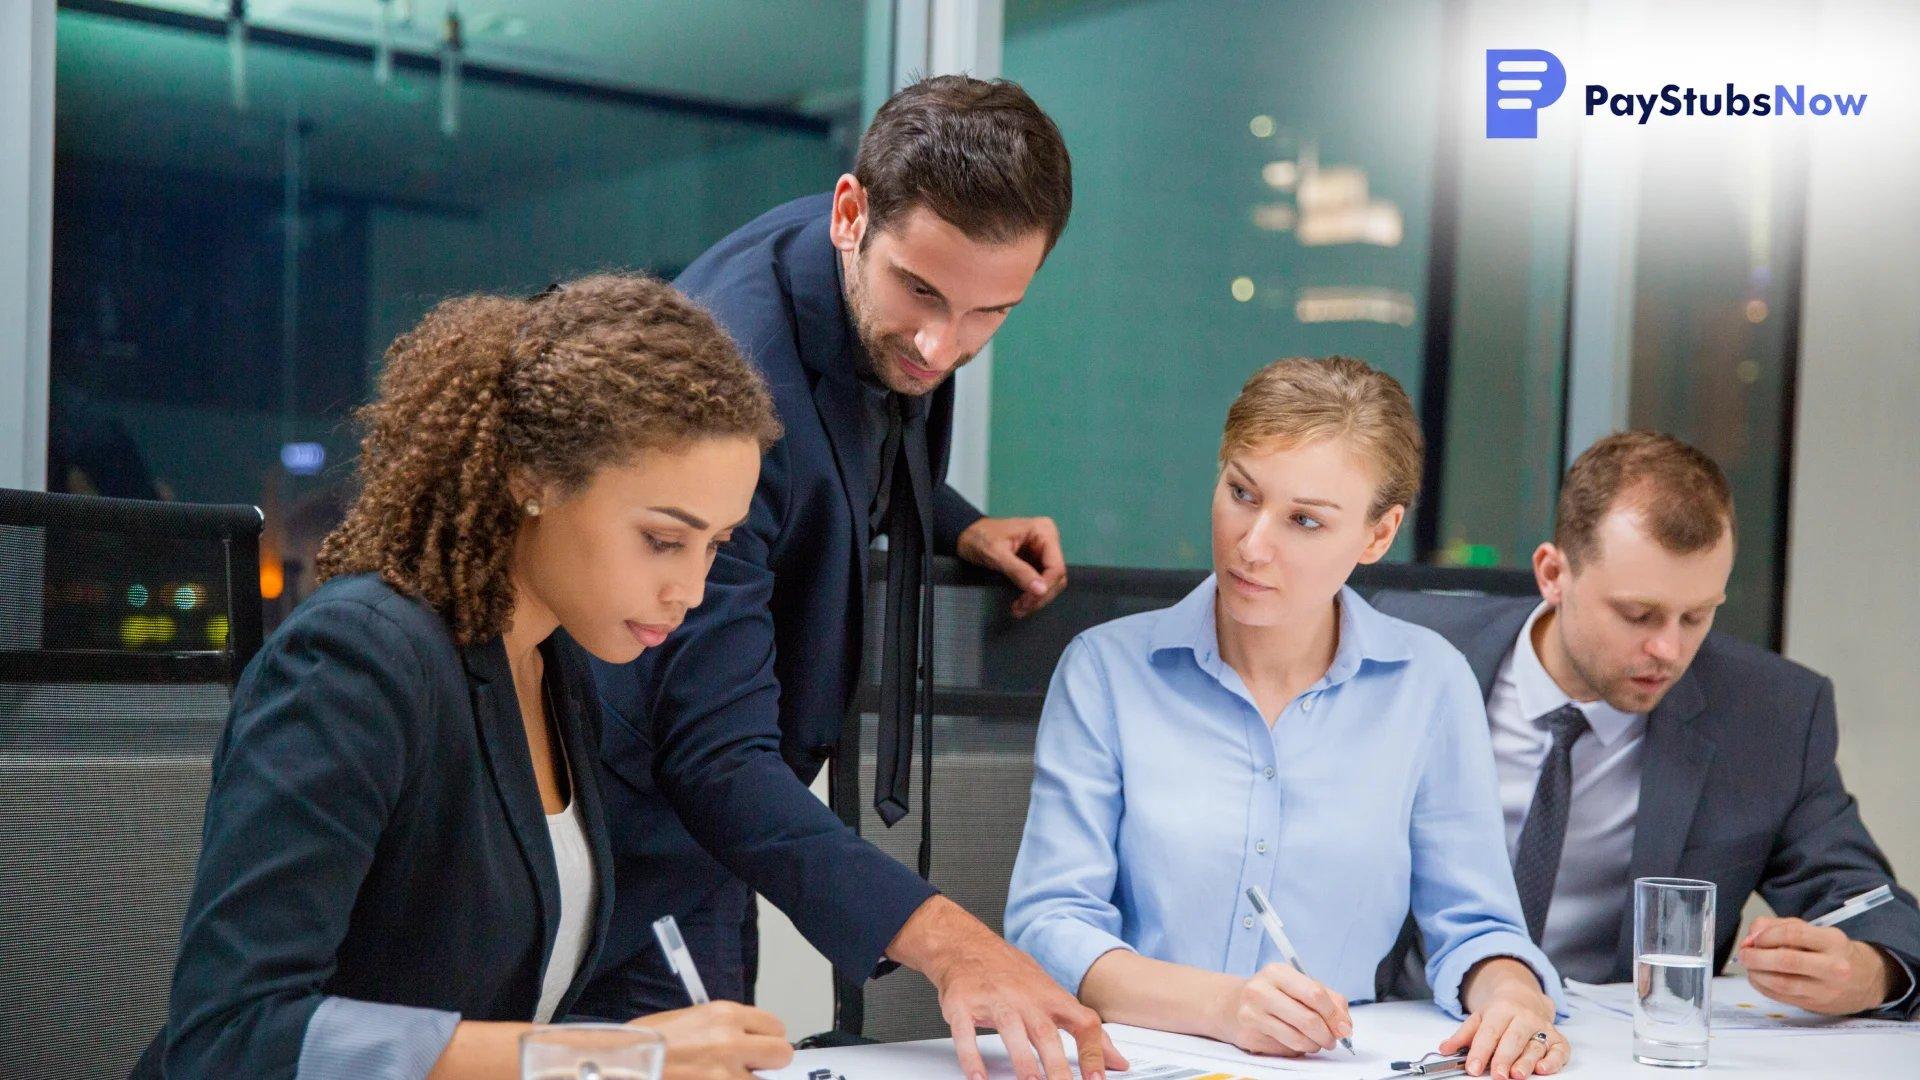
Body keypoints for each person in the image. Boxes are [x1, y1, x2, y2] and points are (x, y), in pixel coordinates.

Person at [581, 76, 1120, 1080]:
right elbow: (710, 755)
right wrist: (954, 944)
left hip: (719, 819)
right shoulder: (730, 394)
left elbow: (855, 437)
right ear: (849, 213)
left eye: (990, 313)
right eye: (922, 294)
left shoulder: (881, 270)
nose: (942, 345)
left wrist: (952, 521)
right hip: (630, 833)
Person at [137, 275, 796, 1079]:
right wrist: (604, 1058)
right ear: (533, 478)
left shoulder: (553, 667)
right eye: (663, 540)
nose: (690, 591)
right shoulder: (355, 660)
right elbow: (231, 1037)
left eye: (716, 545)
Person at [1005, 357, 1572, 1080]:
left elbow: (1477, 926)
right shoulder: (1107, 671)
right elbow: (1050, 925)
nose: (1252, 545)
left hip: (1332, 1067)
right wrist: (1225, 1007)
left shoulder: (1430, 684)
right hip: (1137, 1063)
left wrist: (1514, 998)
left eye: (1305, 520)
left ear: (1377, 536)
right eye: (1242, 493)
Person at [1374, 431, 1920, 1020]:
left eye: (1697, 616)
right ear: (1553, 573)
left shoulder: (1769, 715)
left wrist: (1872, 971)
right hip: (1401, 1025)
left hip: (1612, 1043)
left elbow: (1866, 901)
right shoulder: (1402, 648)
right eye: (1639, 615)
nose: (1669, 649)